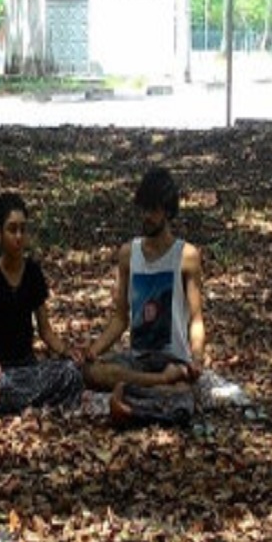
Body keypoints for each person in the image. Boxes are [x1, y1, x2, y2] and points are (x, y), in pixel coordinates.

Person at [81, 168, 206, 426]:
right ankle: (158, 385)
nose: (146, 217)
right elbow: (120, 319)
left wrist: (196, 359)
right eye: (144, 209)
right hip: (138, 359)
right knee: (91, 372)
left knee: (184, 397)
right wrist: (94, 349)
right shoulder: (129, 254)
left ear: (168, 211)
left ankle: (131, 403)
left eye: (153, 210)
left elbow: (196, 319)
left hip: (173, 359)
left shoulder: (187, 256)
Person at [0, 191, 85, 413]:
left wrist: (66, 351)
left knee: (71, 372)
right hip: (4, 372)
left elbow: (45, 331)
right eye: (12, 229)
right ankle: (28, 403)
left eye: (22, 229)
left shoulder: (33, 272)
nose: (18, 236)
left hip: (29, 368)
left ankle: (30, 403)